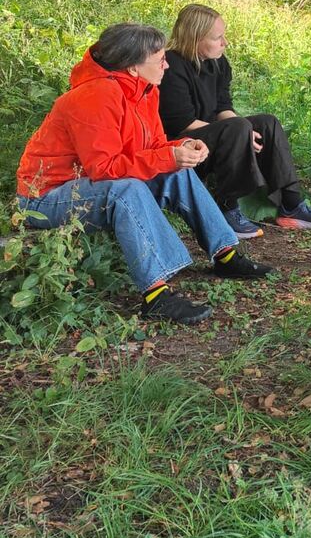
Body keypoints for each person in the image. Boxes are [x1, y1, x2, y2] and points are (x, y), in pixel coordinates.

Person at [16, 23, 273, 326]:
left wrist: (182, 148)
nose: (167, 64)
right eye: (160, 59)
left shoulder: (144, 90)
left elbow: (153, 148)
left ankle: (226, 256)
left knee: (177, 171)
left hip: (88, 186)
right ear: (133, 66)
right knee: (127, 190)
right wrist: (168, 156)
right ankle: (156, 297)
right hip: (44, 199)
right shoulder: (95, 96)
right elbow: (105, 169)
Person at [159, 5, 311, 239]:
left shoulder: (218, 63)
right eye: (217, 38)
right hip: (183, 144)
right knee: (238, 128)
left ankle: (291, 204)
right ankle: (226, 206)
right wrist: (238, 133)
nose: (225, 42)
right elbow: (182, 123)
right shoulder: (172, 66)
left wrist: (245, 132)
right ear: (195, 38)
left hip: (215, 135)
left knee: (266, 123)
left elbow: (223, 107)